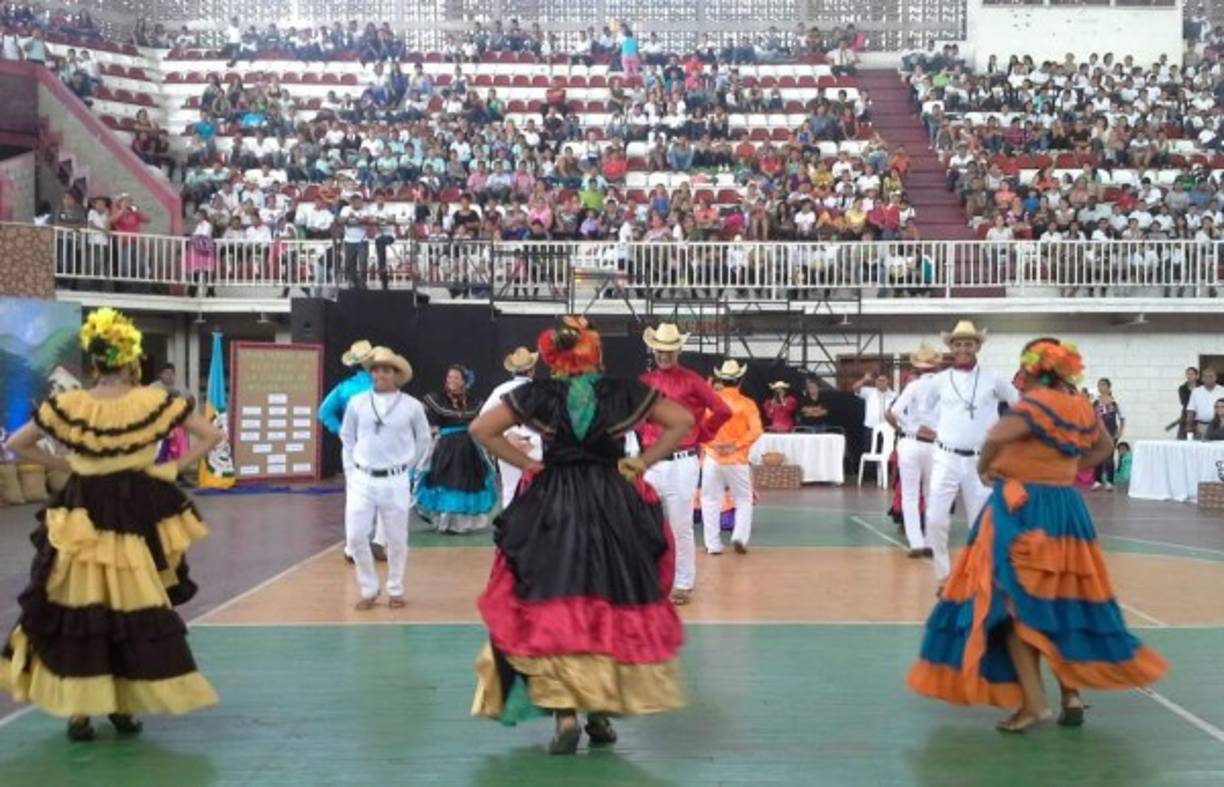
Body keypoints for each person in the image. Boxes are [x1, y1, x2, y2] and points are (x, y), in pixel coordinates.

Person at [908, 337, 1167, 732]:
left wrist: (986, 469)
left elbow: (995, 438)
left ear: (1031, 369)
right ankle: (1071, 695)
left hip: (1024, 510)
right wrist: (1067, 469)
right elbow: (1105, 446)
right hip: (1067, 512)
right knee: (1061, 603)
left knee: (1014, 607)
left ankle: (1034, 705)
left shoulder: (1031, 407)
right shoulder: (1081, 407)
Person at [469, 316, 691, 754]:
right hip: (612, 503)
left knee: (553, 601)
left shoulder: (540, 394)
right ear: (595, 354)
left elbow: (480, 429)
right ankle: (600, 713)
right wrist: (642, 462)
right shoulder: (621, 391)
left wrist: (528, 464)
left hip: (553, 505)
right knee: (606, 599)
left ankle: (565, 714)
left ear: (555, 358)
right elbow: (682, 420)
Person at [0, 308, 222, 741]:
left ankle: (80, 712)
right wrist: (173, 467)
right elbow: (213, 436)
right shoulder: (153, 402)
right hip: (132, 512)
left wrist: (64, 463)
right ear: (131, 360)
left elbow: (18, 443)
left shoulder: (70, 404)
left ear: (95, 363)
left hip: (81, 513)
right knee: (130, 606)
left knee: (80, 606)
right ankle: (122, 706)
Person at [921, 321, 1019, 588]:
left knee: (982, 521)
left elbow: (1018, 402)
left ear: (977, 346)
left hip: (981, 460)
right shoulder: (939, 380)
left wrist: (1005, 433)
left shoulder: (993, 377)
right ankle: (943, 575)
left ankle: (980, 576)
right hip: (946, 458)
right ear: (951, 348)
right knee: (935, 519)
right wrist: (939, 429)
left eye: (968, 343)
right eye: (958, 344)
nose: (963, 348)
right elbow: (924, 409)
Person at [639, 323, 731, 605]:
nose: (663, 355)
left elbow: (722, 410)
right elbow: (635, 415)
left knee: (681, 526)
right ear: (653, 350)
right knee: (645, 525)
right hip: (652, 461)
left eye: (669, 350)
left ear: (678, 350)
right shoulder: (644, 381)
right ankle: (650, 580)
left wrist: (701, 435)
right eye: (660, 350)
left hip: (681, 462)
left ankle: (682, 583)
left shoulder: (692, 381)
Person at [340, 347, 431, 610]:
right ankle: (369, 588)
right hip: (362, 478)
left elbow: (423, 439)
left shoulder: (412, 406)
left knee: (396, 538)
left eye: (386, 370)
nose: (380, 374)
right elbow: (347, 437)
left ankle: (395, 588)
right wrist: (350, 470)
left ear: (396, 374)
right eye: (376, 369)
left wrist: (408, 468)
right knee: (355, 536)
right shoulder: (357, 403)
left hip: (395, 479)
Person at [318, 340, 387, 562]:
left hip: (354, 447)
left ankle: (352, 546)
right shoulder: (385, 387)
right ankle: (378, 541)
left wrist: (341, 431)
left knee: (356, 497)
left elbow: (324, 412)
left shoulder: (344, 387)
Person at [417, 365, 497, 533]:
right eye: (449, 377)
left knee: (464, 482)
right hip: (445, 448)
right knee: (446, 481)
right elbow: (430, 423)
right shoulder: (437, 399)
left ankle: (460, 523)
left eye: (456, 378)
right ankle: (445, 521)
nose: (451, 381)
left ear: (464, 381)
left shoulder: (474, 402)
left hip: (468, 448)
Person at [885, 343, 942, 557]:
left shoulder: (913, 386)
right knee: (932, 494)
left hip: (910, 441)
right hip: (935, 444)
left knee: (910, 495)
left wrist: (909, 427)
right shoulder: (945, 386)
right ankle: (931, 541)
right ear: (936, 365)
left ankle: (916, 542)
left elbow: (893, 412)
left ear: (917, 367)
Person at [701, 360, 764, 555]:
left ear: (721, 379)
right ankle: (739, 537)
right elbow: (756, 431)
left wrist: (714, 445)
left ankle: (713, 544)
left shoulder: (711, 403)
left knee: (710, 500)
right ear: (740, 380)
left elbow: (701, 429)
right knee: (743, 499)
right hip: (737, 461)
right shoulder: (747, 404)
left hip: (713, 459)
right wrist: (735, 446)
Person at [478, 347, 542, 508]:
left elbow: (483, 419)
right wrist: (535, 440)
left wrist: (506, 435)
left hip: (508, 445)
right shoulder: (541, 391)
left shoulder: (500, 391)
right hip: (536, 445)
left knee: (510, 490)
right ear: (532, 370)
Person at [1092, 378, 1124, 490]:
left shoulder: (1115, 402)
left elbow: (1122, 418)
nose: (1101, 387)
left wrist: (1119, 433)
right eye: (1099, 385)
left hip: (1111, 433)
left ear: (1109, 387)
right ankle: (1097, 481)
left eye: (1103, 385)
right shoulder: (1095, 402)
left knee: (1109, 458)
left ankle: (1110, 481)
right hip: (1098, 434)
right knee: (1097, 457)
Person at [1186, 368, 1224, 439]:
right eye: (1205, 376)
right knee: (1202, 445)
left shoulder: (1222, 390)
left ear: (1216, 378)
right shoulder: (1196, 391)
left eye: (1211, 376)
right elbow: (1191, 411)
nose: (1208, 379)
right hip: (1201, 426)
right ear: (1202, 379)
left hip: (1219, 426)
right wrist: (1189, 427)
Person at [1175, 367, 1199, 439]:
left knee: (1198, 436)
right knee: (1182, 436)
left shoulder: (1201, 387)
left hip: (1199, 414)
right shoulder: (1182, 388)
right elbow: (1184, 402)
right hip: (1186, 414)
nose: (1190, 376)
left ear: (1197, 376)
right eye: (1188, 374)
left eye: (1192, 374)